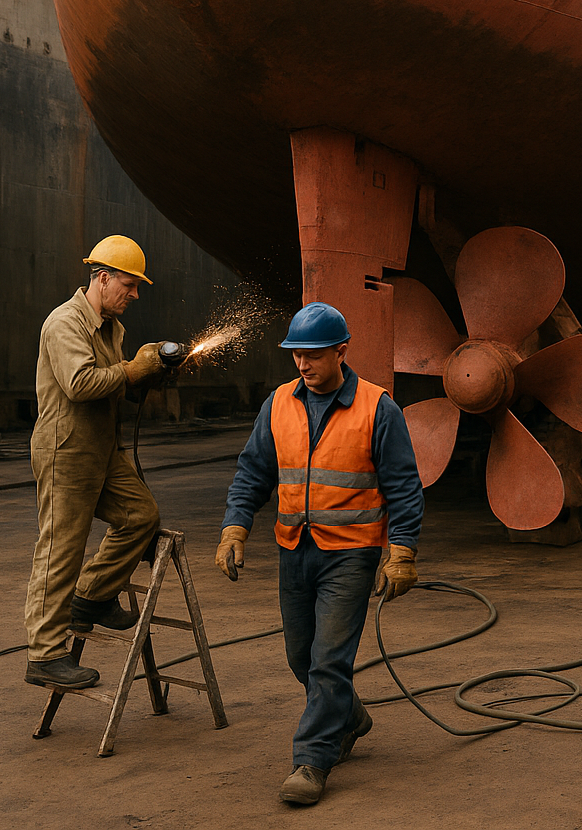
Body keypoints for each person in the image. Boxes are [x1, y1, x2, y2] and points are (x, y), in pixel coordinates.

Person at [216, 302, 425, 806]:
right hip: (294, 549)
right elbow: (253, 472)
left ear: (341, 351)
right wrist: (234, 528)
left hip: (351, 554)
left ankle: (311, 760)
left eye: (312, 354)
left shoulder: (378, 408)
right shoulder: (279, 404)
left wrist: (402, 551)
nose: (303, 364)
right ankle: (350, 716)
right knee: (300, 657)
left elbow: (404, 486)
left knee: (328, 660)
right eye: (296, 355)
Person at [24, 235, 168, 690]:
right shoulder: (65, 322)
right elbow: (81, 384)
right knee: (60, 549)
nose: (135, 294)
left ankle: (93, 597)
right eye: (129, 284)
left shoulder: (112, 328)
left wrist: (152, 374)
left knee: (140, 515)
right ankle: (45, 655)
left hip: (103, 449)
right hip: (66, 450)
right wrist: (133, 370)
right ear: (102, 278)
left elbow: (115, 386)